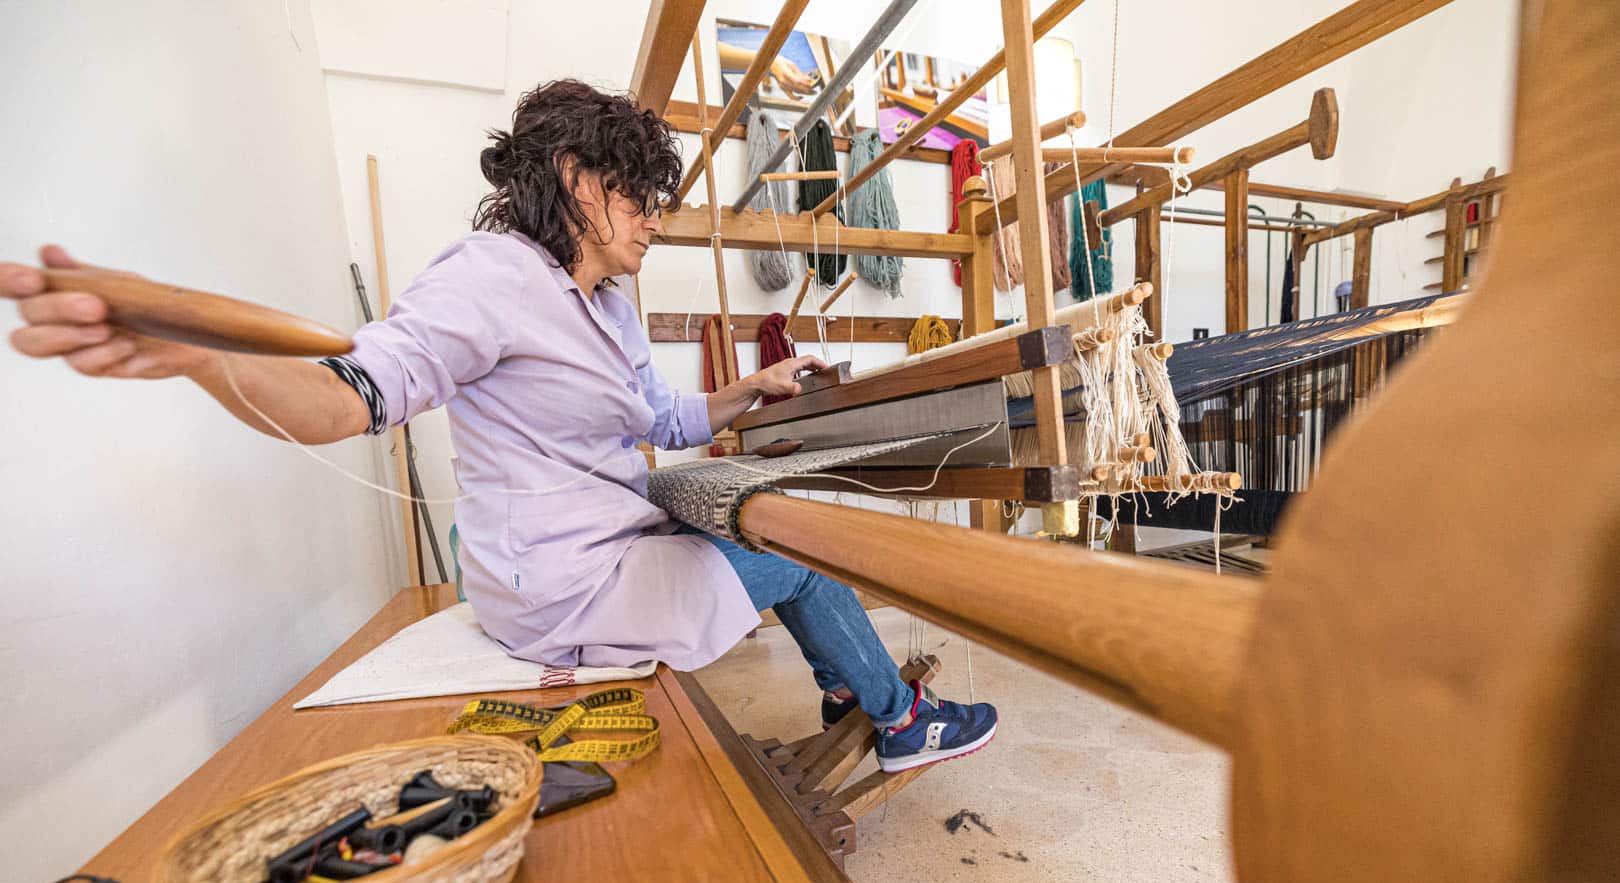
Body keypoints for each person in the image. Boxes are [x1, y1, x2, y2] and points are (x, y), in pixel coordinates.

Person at [0, 79, 997, 773]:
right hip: (567, 588)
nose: (655, 218)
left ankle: (841, 688)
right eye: (640, 197)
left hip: (617, 541)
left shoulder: (606, 298)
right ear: (576, 180)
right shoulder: (485, 281)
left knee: (765, 515)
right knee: (803, 541)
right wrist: (201, 354)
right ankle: (899, 717)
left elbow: (659, 416)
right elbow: (349, 396)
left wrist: (754, 392)